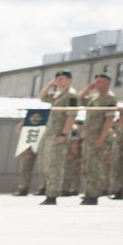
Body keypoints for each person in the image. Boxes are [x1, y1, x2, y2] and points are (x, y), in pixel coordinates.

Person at [76, 73, 119, 206]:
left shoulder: (109, 98)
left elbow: (109, 119)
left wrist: (101, 138)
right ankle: (88, 192)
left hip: (99, 137)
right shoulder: (94, 98)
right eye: (95, 81)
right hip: (89, 137)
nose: (96, 84)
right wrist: (88, 88)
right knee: (88, 166)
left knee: (95, 166)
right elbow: (79, 98)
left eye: (99, 82)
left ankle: (93, 195)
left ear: (107, 83)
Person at [39, 72, 78, 205]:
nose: (59, 81)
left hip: (59, 134)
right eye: (57, 79)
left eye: (61, 79)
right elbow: (42, 97)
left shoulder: (71, 95)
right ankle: (50, 192)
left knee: (55, 165)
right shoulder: (57, 95)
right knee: (48, 164)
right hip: (51, 134)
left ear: (69, 80)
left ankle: (52, 195)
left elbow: (71, 115)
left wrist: (64, 134)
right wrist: (49, 85)